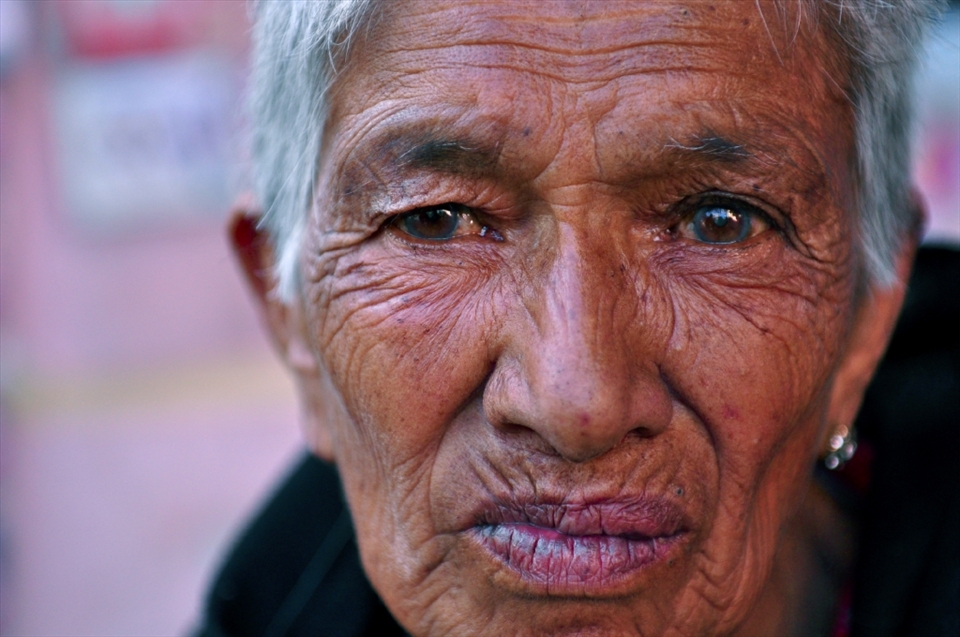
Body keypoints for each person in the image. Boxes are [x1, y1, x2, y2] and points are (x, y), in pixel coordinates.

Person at [198, 1, 959, 635]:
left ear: (868, 318)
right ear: (287, 308)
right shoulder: (270, 605)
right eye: (437, 220)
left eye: (718, 221)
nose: (577, 402)